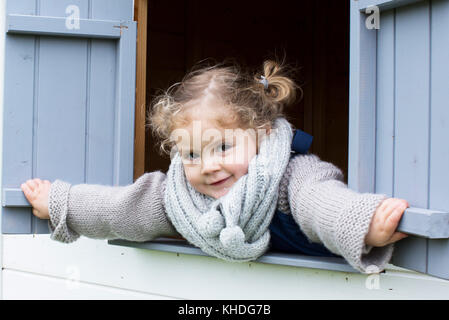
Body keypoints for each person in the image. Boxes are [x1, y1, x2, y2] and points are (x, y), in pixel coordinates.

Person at [20, 59, 409, 273]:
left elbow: (321, 202)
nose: (207, 167)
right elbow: (122, 209)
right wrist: (61, 202)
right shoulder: (182, 197)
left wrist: (363, 224)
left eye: (222, 147)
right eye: (190, 154)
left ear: (259, 133)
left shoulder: (290, 174)